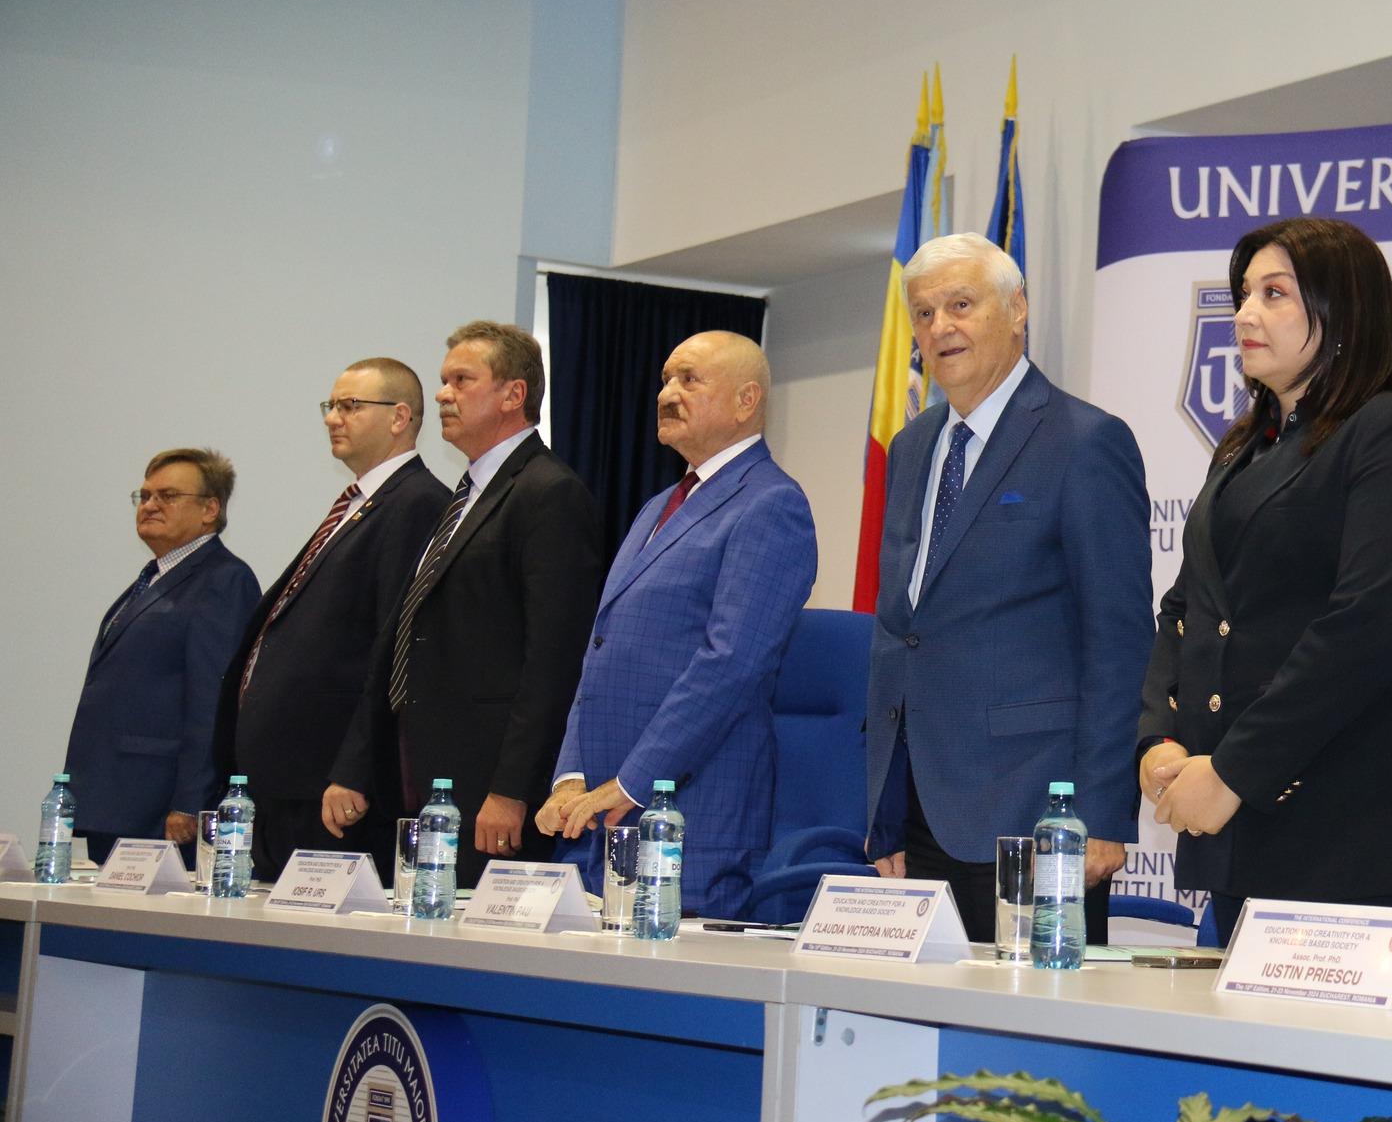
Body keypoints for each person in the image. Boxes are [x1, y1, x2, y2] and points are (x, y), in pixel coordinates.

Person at [1136, 218, 1392, 947]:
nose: (1244, 314)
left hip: (1342, 835)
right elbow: (1186, 607)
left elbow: (1365, 630)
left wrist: (1232, 772)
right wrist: (1158, 737)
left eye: (1274, 294)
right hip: (1236, 835)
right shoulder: (1242, 448)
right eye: (1243, 294)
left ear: (1342, 308)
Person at [865, 233, 1153, 944]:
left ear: (1017, 309)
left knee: (1030, 1013)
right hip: (919, 811)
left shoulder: (1085, 441)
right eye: (924, 313)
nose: (940, 327)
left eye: (961, 305)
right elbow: (903, 629)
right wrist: (885, 809)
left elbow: (1118, 641)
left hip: (1037, 813)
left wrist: (1102, 812)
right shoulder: (911, 447)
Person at [536, 331, 817, 917]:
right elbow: (601, 650)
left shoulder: (771, 503)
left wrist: (633, 782)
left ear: (745, 401)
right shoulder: (657, 506)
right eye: (666, 379)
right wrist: (571, 775)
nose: (667, 393)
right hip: (600, 815)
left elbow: (731, 663)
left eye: (689, 380)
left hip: (690, 814)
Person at [328, 321, 605, 888]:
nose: (442, 395)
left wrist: (511, 790)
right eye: (443, 380)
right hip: (425, 772)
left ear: (513, 394)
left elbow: (554, 658)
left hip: (488, 789)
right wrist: (356, 763)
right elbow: (405, 631)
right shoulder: (464, 494)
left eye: (461, 380)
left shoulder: (549, 492)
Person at [213, 359, 450, 880]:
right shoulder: (361, 503)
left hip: (331, 788)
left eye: (350, 406)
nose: (332, 418)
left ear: (399, 417)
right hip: (287, 779)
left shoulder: (416, 503)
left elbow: (393, 648)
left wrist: (355, 769)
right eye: (332, 405)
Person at [65, 448, 261, 864]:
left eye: (168, 496)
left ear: (210, 509)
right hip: (118, 797)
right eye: (145, 495)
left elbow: (214, 699)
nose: (150, 505)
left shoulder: (223, 580)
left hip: (161, 808)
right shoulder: (154, 577)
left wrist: (191, 801)